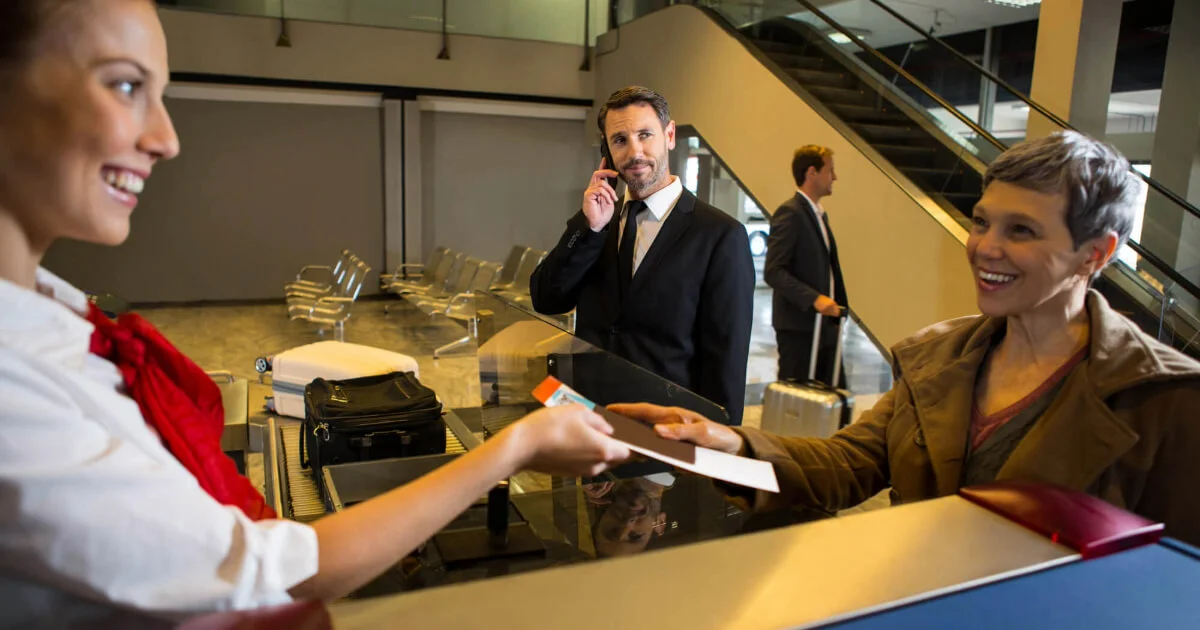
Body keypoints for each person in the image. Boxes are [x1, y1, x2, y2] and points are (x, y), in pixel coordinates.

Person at [0, 0, 630, 614]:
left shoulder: (51, 314)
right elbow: (264, 568)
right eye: (125, 84)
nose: (165, 139)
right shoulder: (15, 379)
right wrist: (514, 449)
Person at [613, 131, 1200, 545]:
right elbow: (843, 466)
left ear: (1095, 254)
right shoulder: (937, 360)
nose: (985, 247)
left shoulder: (1166, 400)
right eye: (981, 221)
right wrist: (719, 444)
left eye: (1021, 230)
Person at [530, 86, 755, 425]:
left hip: (666, 431)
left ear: (669, 135)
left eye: (645, 135)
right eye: (620, 140)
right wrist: (589, 229)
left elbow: (726, 360)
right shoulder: (598, 223)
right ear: (607, 152)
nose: (635, 152)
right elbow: (546, 298)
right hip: (592, 419)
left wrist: (714, 451)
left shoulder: (721, 235)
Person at [765, 145, 847, 385]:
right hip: (799, 328)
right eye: (830, 171)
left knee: (832, 394)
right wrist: (814, 298)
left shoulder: (818, 214)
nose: (834, 177)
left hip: (823, 326)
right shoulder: (790, 213)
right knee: (796, 400)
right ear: (812, 173)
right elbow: (774, 271)